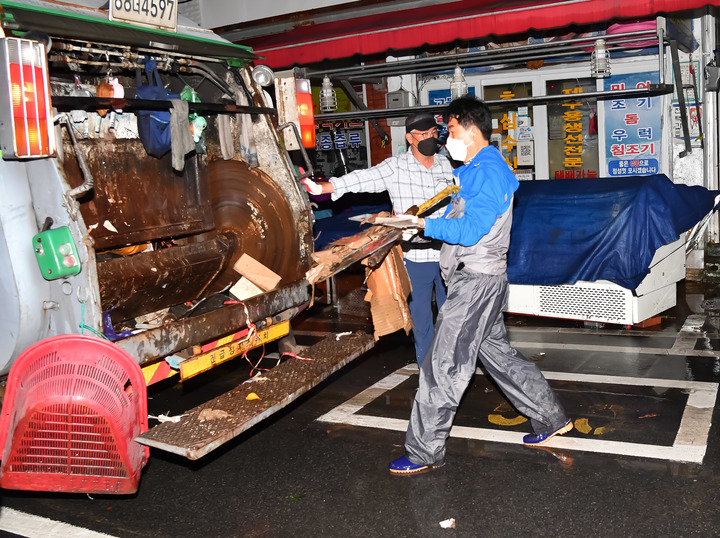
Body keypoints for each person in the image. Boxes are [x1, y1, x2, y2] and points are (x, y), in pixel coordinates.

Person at [388, 96, 573, 476]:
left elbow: (471, 231)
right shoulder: (479, 168)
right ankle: (551, 418)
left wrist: (423, 226)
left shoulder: (485, 171)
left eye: (451, 130)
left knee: (443, 366)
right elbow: (468, 218)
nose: (446, 138)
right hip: (483, 282)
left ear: (470, 129)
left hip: (474, 284)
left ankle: (424, 451)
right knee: (500, 357)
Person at [302, 113, 454, 366]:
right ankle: (429, 370)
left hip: (449, 252)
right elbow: (362, 179)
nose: (430, 138)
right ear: (410, 138)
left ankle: (452, 365)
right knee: (422, 319)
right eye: (423, 135)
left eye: (433, 134)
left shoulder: (446, 166)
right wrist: (324, 188)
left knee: (453, 316)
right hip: (416, 256)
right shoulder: (396, 167)